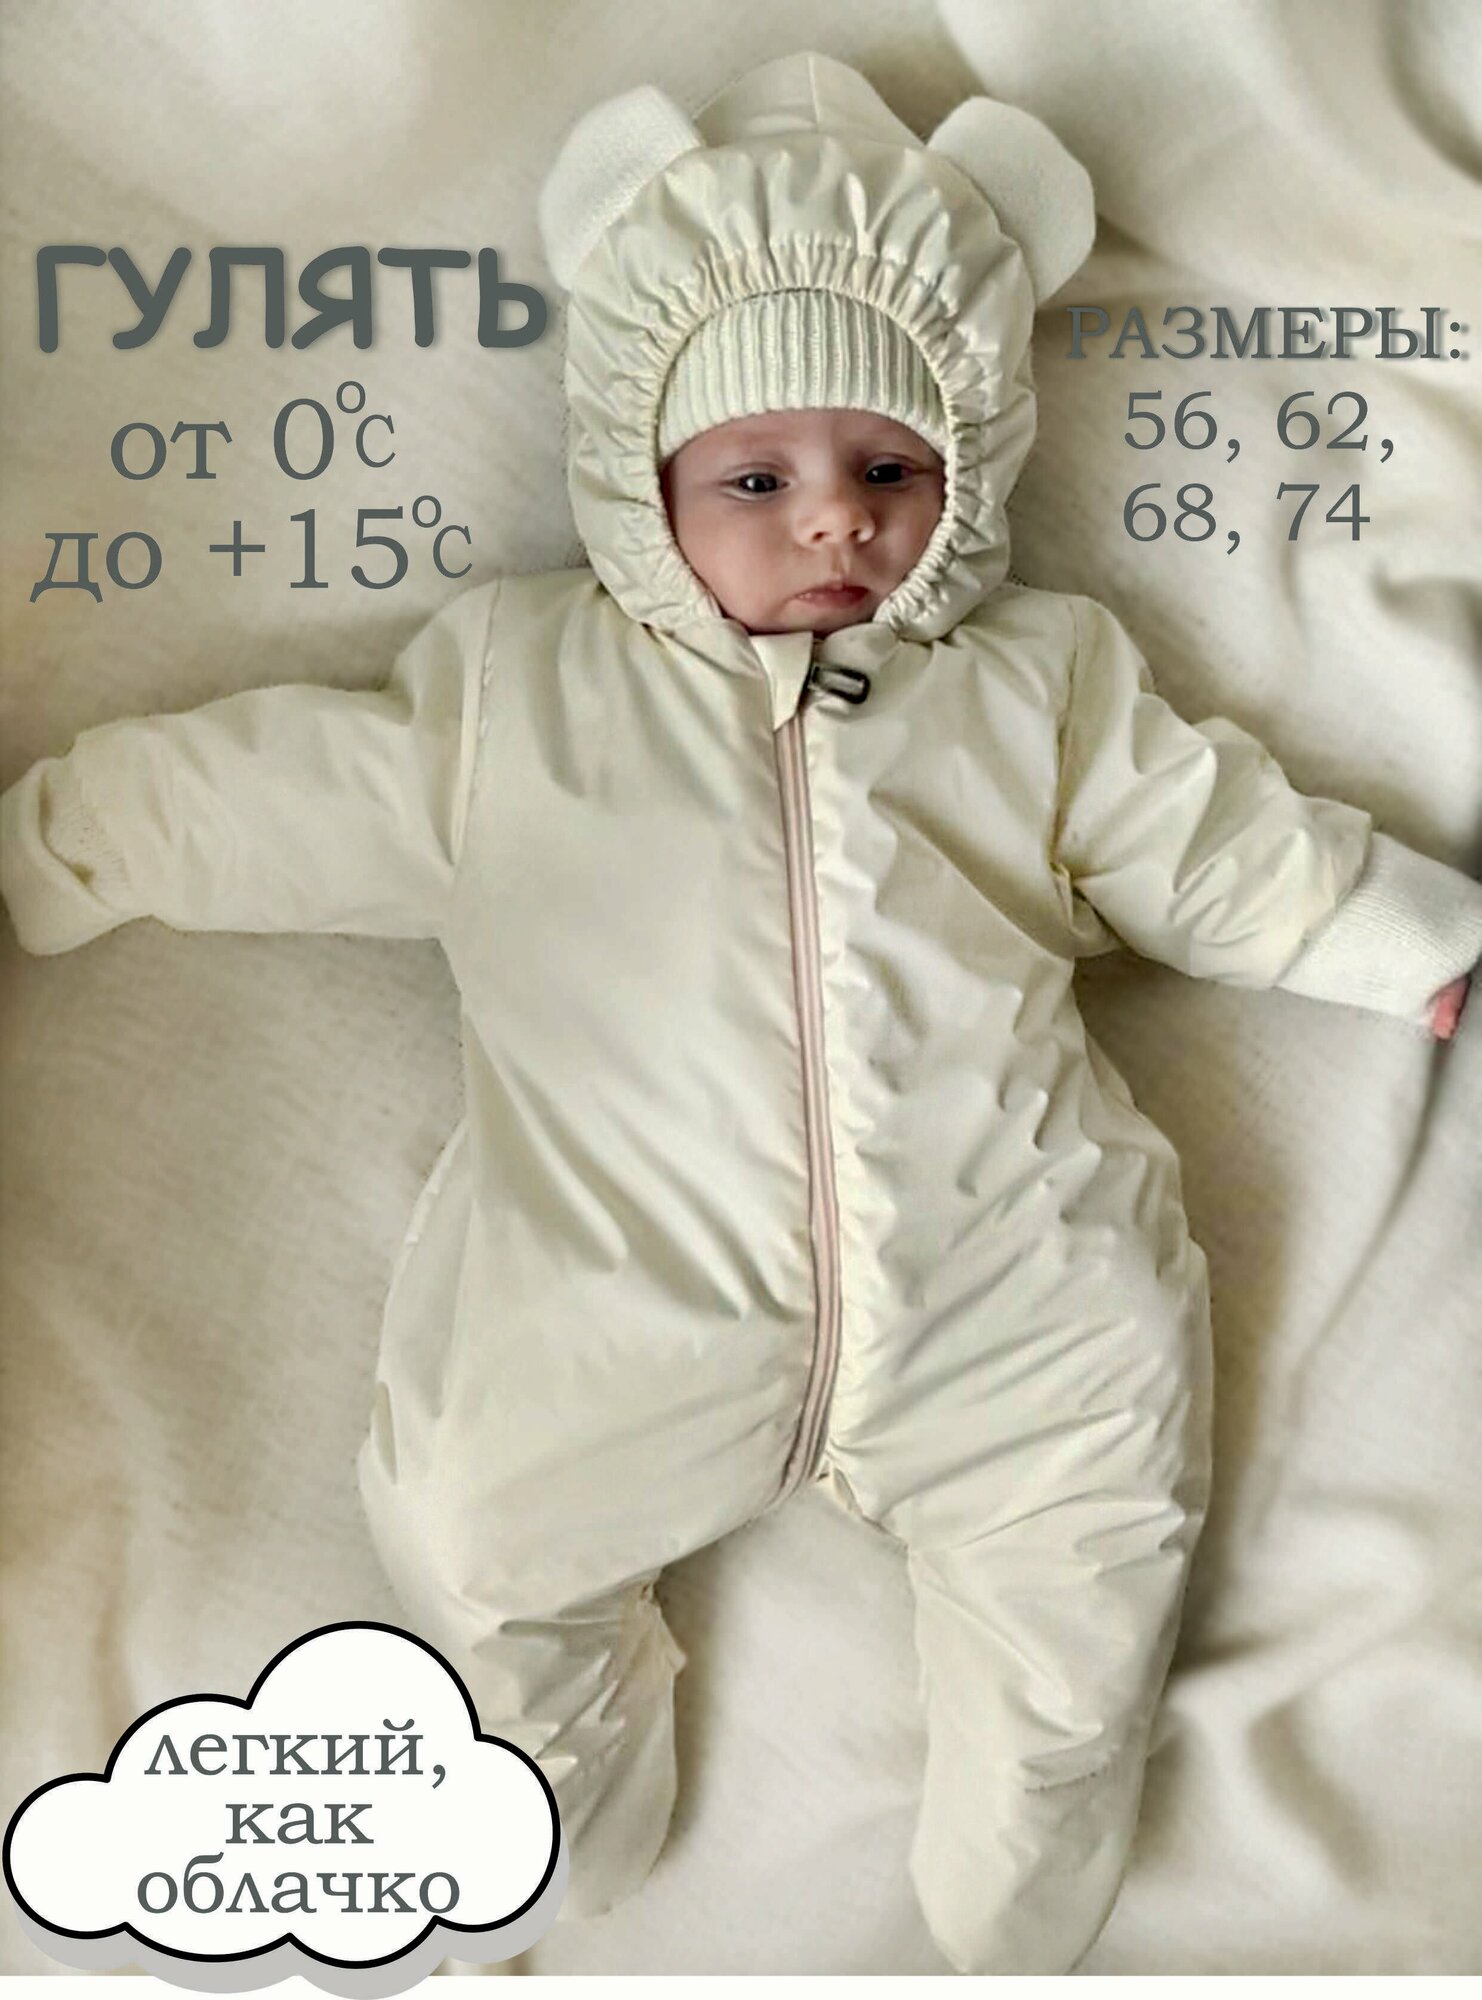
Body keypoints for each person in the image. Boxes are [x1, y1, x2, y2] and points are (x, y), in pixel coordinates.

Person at [2, 51, 1478, 1974]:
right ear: (644, 481)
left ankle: (1024, 1876)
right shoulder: (518, 699)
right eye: (757, 480)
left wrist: (1401, 939)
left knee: (1095, 1535)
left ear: (968, 473)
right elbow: (272, 789)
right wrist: (57, 843)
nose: (833, 522)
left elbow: (1211, 841)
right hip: (611, 1292)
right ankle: (557, 1789)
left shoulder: (1031, 686)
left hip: (1005, 1276)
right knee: (475, 1523)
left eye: (889, 471)